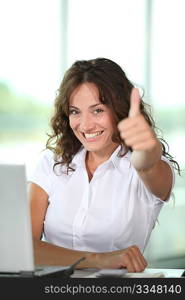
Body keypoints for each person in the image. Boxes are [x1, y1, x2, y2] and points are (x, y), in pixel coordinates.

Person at [28, 57, 180, 272]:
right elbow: (25, 247)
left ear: (119, 109)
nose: (86, 124)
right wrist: (99, 259)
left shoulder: (144, 169)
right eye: (75, 111)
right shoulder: (51, 165)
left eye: (98, 110)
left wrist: (148, 149)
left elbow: (147, 164)